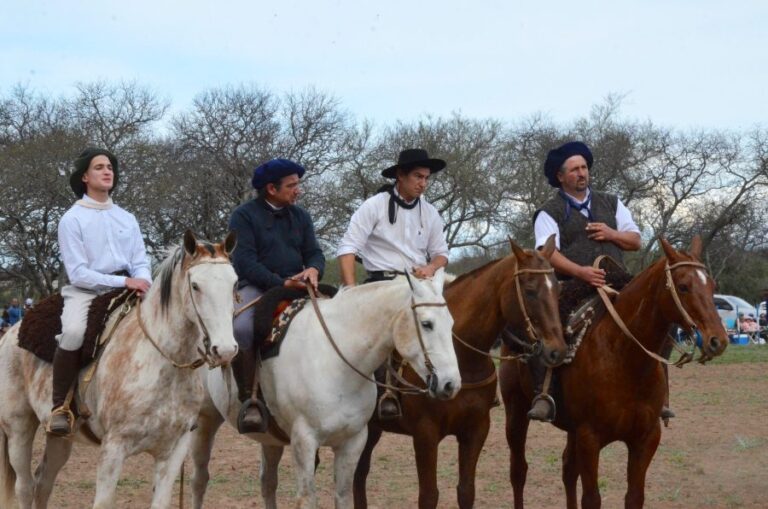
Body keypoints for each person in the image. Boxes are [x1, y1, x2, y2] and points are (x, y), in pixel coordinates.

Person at [528, 141, 643, 422]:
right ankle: (545, 394)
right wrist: (581, 272)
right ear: (560, 176)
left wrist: (612, 233)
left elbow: (636, 240)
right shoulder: (549, 211)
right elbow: (548, 252)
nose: (582, 173)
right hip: (573, 284)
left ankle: (658, 394)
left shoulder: (611, 202)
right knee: (553, 325)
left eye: (584, 167)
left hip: (619, 281)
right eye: (575, 169)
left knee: (653, 314)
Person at [336, 148, 450, 418]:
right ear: (400, 175)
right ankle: (385, 390)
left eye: (426, 178)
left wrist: (431, 267)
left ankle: (457, 378)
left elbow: (441, 254)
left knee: (448, 319)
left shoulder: (430, 212)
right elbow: (348, 249)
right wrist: (351, 290)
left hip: (420, 284)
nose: (423, 183)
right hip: (382, 284)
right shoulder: (374, 205)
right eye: (417, 176)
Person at [50, 147, 152, 436]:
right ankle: (60, 406)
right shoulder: (72, 219)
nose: (108, 171)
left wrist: (144, 282)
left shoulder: (127, 218)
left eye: (109, 167)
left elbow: (140, 262)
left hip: (129, 289)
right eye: (99, 167)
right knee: (72, 332)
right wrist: (125, 282)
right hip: (86, 292)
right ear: (84, 176)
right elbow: (79, 273)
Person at [229, 158, 325, 433]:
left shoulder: (301, 216)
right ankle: (250, 400)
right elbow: (245, 261)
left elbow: (314, 252)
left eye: (298, 184)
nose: (299, 190)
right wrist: (281, 282)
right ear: (271, 188)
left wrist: (314, 270)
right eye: (292, 185)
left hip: (299, 285)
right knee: (242, 328)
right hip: (257, 287)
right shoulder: (243, 215)